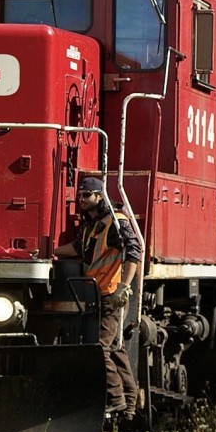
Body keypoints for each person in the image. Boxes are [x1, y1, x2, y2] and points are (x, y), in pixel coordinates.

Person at [54, 175, 140, 418]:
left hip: (111, 294)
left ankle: (115, 400)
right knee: (115, 349)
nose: (81, 199)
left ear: (99, 196)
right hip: (97, 292)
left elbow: (134, 253)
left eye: (87, 195)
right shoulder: (92, 225)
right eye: (79, 195)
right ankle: (130, 405)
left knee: (100, 349)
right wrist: (47, 252)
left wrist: (124, 287)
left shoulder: (116, 222)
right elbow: (75, 248)